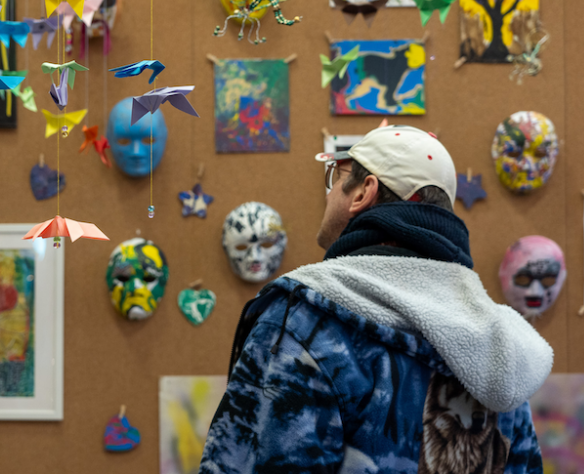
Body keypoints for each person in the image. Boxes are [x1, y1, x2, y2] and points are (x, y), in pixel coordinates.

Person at [198, 125, 552, 474]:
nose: (329, 193)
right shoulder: (499, 346)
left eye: (337, 178)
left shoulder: (301, 322)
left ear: (363, 193)